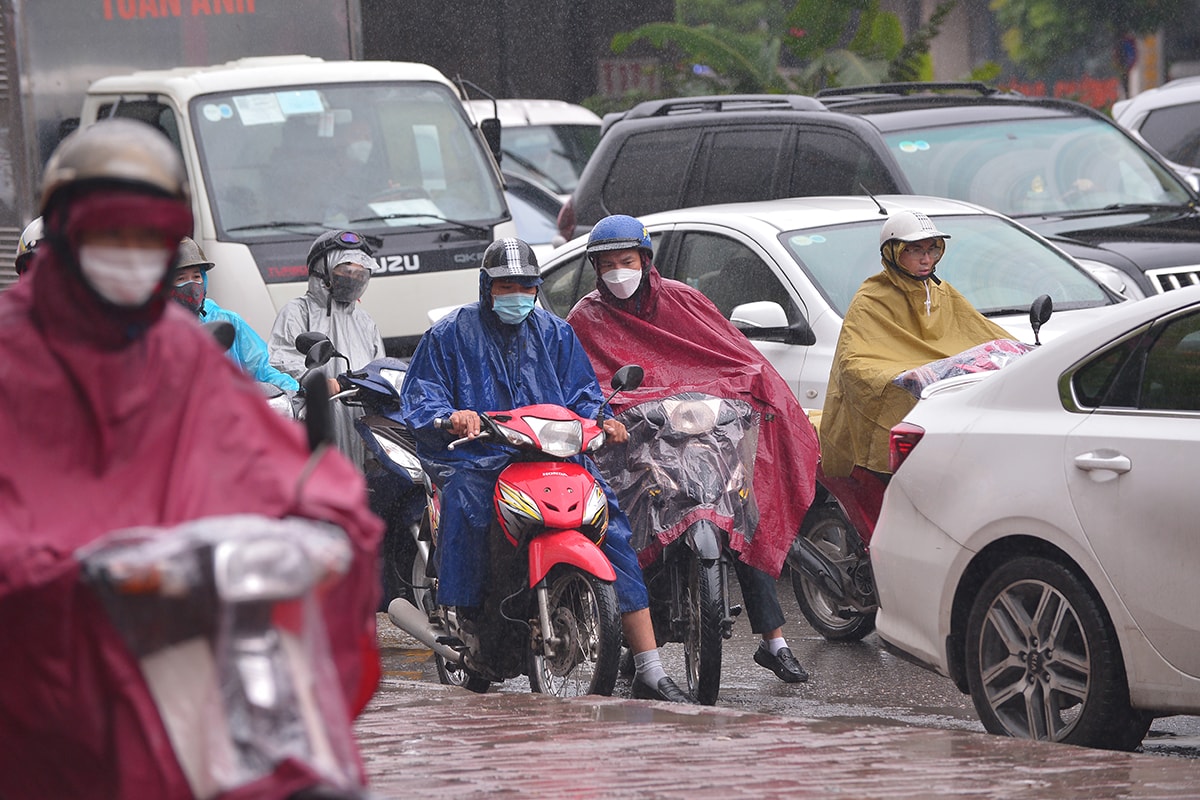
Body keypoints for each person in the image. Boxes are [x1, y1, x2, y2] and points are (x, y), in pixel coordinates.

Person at [0, 118, 382, 797]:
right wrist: (51, 564)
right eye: (105, 230)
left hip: (185, 634)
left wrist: (325, 516)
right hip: (49, 651)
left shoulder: (180, 350)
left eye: (145, 233)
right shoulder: (12, 355)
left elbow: (260, 458)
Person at [401, 237, 692, 703]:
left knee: (611, 526)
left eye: (526, 285)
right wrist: (454, 415)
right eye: (506, 285)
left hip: (552, 456)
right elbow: (423, 396)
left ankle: (650, 666)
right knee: (469, 505)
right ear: (486, 286)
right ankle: (466, 610)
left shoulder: (555, 333)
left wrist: (603, 418)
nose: (517, 293)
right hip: (480, 457)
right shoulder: (451, 334)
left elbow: (581, 393)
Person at [567, 214, 820, 684]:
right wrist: (608, 415)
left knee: (743, 510)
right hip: (637, 451)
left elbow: (736, 357)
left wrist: (752, 387)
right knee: (629, 530)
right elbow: (579, 385)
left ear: (645, 260)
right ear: (595, 270)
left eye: (627, 261)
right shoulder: (586, 319)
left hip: (707, 438)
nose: (618, 273)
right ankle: (644, 642)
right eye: (607, 266)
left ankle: (775, 639)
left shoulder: (685, 301)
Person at [820, 209, 1013, 480]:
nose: (926, 259)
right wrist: (903, 377)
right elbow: (853, 365)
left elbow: (982, 335)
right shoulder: (870, 298)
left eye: (932, 250)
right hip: (901, 427)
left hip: (949, 418)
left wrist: (1019, 352)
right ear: (893, 253)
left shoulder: (941, 291)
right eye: (915, 251)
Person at [268, 229, 385, 468]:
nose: (354, 276)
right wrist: (315, 380)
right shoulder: (297, 312)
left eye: (360, 271)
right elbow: (280, 360)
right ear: (323, 271)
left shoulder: (364, 321)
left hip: (359, 417)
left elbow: (380, 368)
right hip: (316, 415)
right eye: (346, 269)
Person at [169, 236, 299, 393]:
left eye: (196, 276)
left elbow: (262, 368)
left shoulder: (227, 321)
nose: (192, 284)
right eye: (181, 278)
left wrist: (296, 391)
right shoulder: (152, 331)